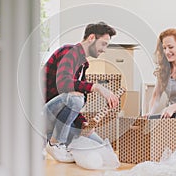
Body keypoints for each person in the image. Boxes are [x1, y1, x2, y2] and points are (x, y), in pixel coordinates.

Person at [42, 22, 119, 162]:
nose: (104, 49)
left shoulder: (83, 65)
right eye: (103, 44)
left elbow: (70, 108)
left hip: (60, 122)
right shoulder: (69, 51)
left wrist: (83, 124)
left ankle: (64, 145)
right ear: (91, 38)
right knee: (76, 99)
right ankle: (55, 144)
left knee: (103, 148)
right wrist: (97, 87)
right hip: (44, 115)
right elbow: (63, 83)